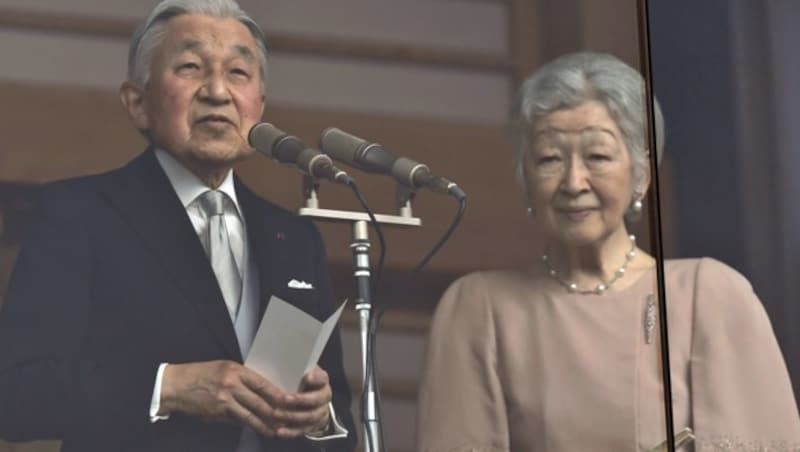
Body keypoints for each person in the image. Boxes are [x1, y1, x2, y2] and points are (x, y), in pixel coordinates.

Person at [0, 1, 356, 451]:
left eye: (238, 73)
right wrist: (168, 387)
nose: (217, 91)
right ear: (137, 104)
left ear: (258, 108)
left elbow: (339, 418)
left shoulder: (295, 238)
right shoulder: (78, 213)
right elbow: (16, 394)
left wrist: (320, 417)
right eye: (190, 67)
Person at [416, 52, 800, 451]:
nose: (573, 181)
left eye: (597, 156)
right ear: (525, 179)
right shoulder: (478, 309)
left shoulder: (709, 296)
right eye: (549, 159)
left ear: (641, 176)